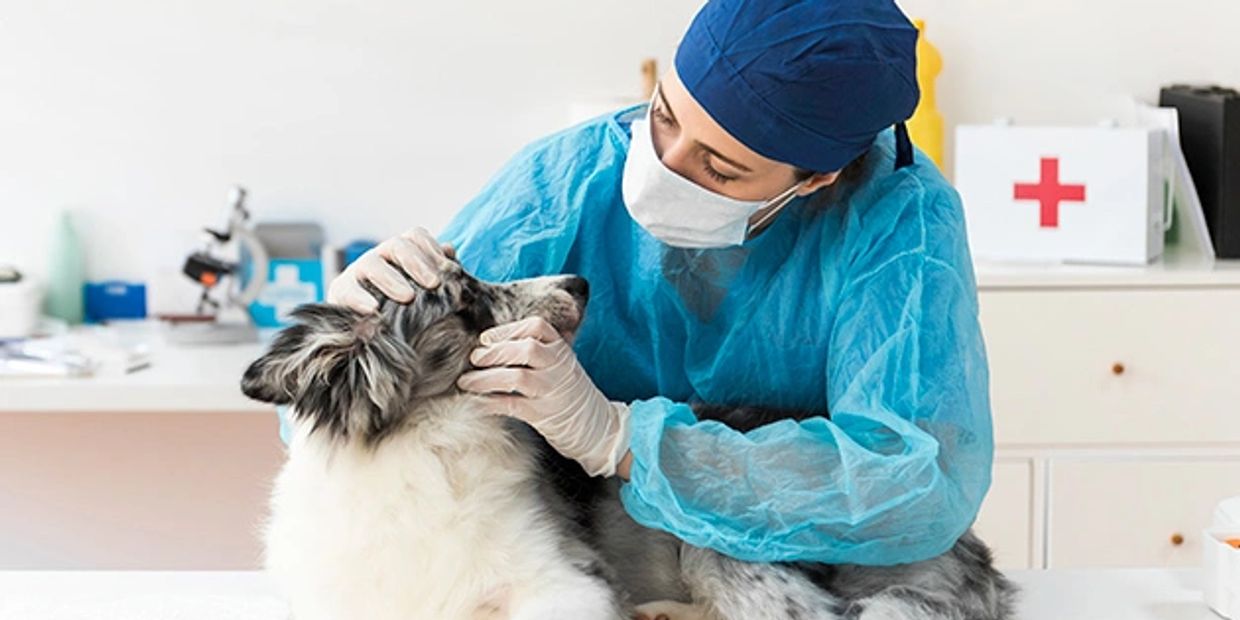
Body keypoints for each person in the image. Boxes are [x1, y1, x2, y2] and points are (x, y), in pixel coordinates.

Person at [318, 0, 993, 567]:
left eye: (720, 169)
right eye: (665, 115)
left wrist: (625, 440)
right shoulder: (566, 182)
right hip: (573, 562)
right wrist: (354, 342)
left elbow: (916, 487)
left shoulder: (898, 223)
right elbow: (370, 425)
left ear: (814, 178)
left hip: (793, 572)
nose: (663, 166)